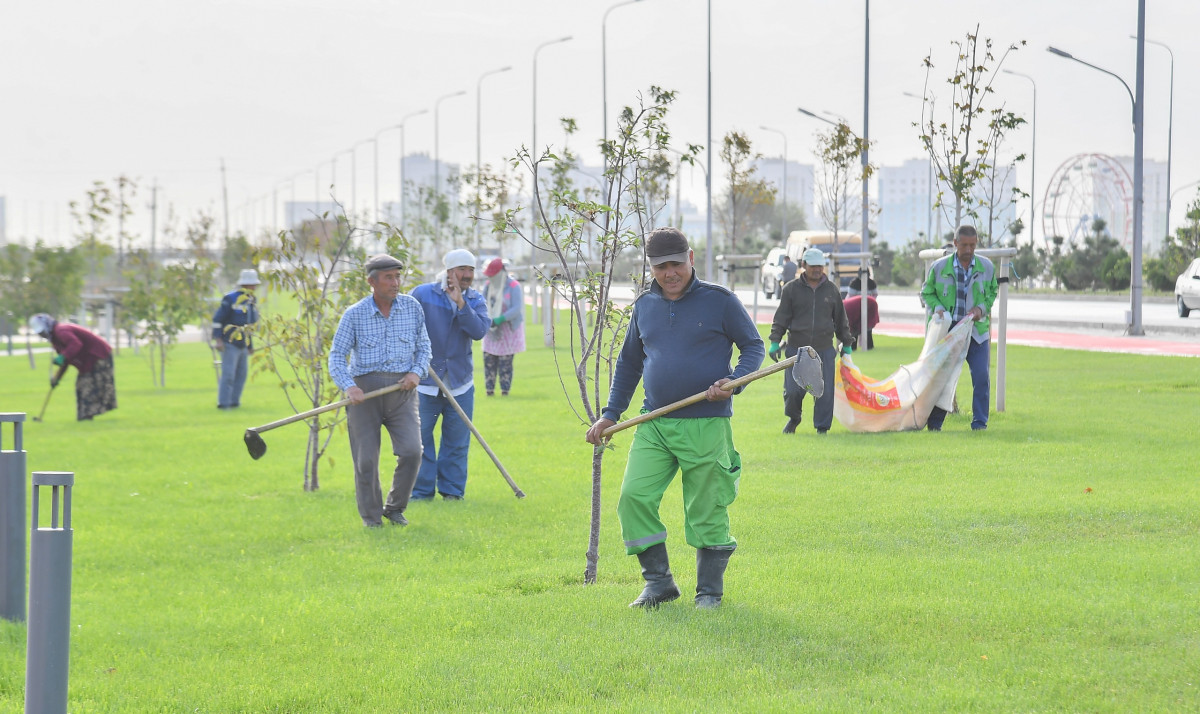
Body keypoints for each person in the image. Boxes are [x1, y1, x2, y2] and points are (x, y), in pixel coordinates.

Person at [585, 227, 765, 610]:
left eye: (676, 264)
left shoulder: (720, 301)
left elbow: (753, 345)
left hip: (706, 421)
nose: (670, 273)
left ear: (691, 258)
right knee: (634, 497)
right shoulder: (644, 307)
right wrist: (609, 414)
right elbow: (630, 363)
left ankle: (709, 593)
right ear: (650, 267)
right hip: (654, 423)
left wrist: (735, 381)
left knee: (706, 507)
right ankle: (659, 584)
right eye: (661, 266)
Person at [328, 254, 431, 528]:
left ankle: (395, 508)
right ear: (372, 282)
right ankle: (372, 520)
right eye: (389, 277)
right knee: (366, 461)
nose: (395, 282)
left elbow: (424, 348)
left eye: (398, 276)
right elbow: (337, 356)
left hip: (402, 391)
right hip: (365, 395)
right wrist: (349, 386)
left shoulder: (412, 308)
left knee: (412, 451)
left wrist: (415, 372)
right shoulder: (354, 314)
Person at [410, 249, 490, 501]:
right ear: (449, 272)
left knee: (456, 442)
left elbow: (479, 332)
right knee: (420, 441)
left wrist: (461, 304)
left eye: (471, 270)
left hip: (460, 383)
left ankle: (452, 493)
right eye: (462, 270)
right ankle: (421, 492)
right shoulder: (423, 294)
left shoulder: (475, 300)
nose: (467, 275)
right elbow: (407, 326)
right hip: (425, 382)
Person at [768, 248, 855, 434]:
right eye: (813, 266)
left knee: (824, 393)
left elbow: (841, 320)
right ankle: (794, 418)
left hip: (824, 349)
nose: (817, 270)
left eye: (820, 267)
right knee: (792, 391)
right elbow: (781, 318)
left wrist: (846, 342)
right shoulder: (790, 289)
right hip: (796, 350)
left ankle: (822, 429)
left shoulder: (831, 290)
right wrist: (775, 341)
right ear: (803, 266)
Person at [920, 225, 998, 431]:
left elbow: (992, 292)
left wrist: (981, 309)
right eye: (964, 245)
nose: (969, 250)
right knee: (941, 379)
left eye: (973, 245)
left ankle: (980, 424)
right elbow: (926, 293)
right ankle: (934, 424)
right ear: (955, 243)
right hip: (949, 332)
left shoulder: (987, 267)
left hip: (976, 331)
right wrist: (938, 308)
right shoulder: (938, 267)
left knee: (981, 376)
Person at [29, 314, 117, 421]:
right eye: (40, 334)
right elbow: (65, 361)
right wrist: (57, 378)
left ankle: (86, 416)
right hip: (88, 360)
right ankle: (84, 416)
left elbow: (76, 344)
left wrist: (63, 356)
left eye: (42, 332)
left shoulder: (61, 331)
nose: (42, 335)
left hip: (98, 355)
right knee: (81, 385)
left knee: (87, 385)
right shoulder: (56, 340)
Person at [211, 268, 261, 409]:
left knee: (241, 375)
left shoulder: (252, 301)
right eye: (252, 285)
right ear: (245, 285)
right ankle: (223, 403)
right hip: (230, 343)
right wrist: (218, 339)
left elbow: (249, 324)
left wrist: (250, 345)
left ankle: (234, 402)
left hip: (243, 345)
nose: (255, 287)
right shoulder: (230, 299)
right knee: (228, 375)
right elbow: (217, 319)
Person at [480, 257, 525, 397]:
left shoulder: (513, 286)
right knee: (489, 361)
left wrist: (501, 319)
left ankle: (505, 391)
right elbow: (482, 302)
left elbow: (517, 308)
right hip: (491, 329)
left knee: (505, 363)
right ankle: (489, 390)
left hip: (508, 330)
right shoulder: (488, 285)